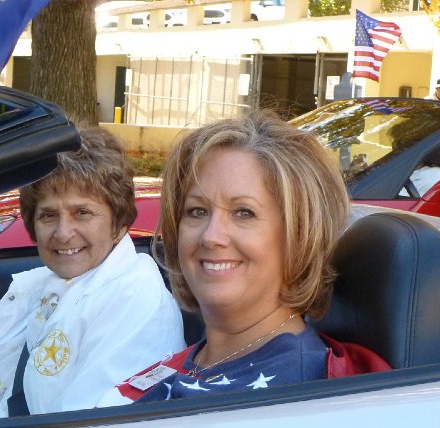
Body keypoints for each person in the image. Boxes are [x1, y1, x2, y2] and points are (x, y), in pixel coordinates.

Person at [99, 111, 389, 406]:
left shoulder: (298, 399)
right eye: (197, 211)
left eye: (243, 213)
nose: (211, 236)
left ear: (299, 235)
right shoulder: (190, 364)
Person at [0, 126, 186, 423]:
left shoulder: (134, 300)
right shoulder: (33, 289)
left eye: (82, 213)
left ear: (119, 223)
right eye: (48, 215)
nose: (63, 233)